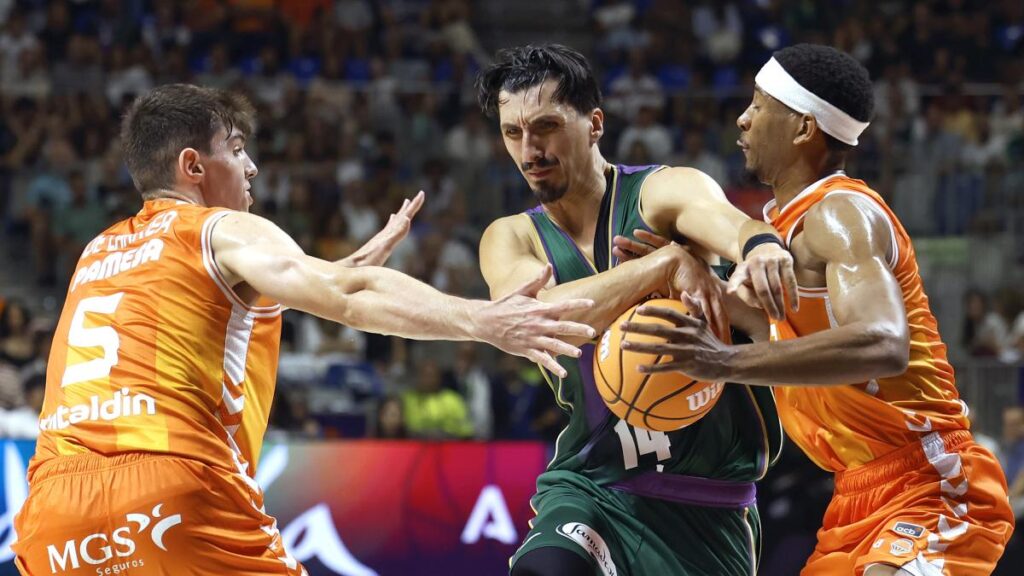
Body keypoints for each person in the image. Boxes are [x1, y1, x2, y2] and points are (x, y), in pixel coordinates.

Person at [12, 84, 597, 575]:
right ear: (192, 166)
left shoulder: (98, 250)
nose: (252, 166)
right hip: (171, 492)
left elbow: (222, 307)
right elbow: (347, 298)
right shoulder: (219, 227)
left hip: (52, 514)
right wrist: (483, 320)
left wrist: (332, 272)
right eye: (236, 150)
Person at [619, 44, 1014, 575]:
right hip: (855, 494)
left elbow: (882, 343)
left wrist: (723, 364)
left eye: (759, 105)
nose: (743, 117)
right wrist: (678, 274)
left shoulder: (839, 213)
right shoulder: (781, 230)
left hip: (930, 476)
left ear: (803, 128)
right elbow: (771, 325)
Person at [476, 44, 797, 576]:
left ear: (595, 123)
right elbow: (532, 317)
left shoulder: (659, 193)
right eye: (513, 133)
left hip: (709, 502)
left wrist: (759, 244)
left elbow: (726, 222)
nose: (530, 149)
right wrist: (663, 266)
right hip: (592, 486)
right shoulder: (511, 237)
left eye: (547, 127)